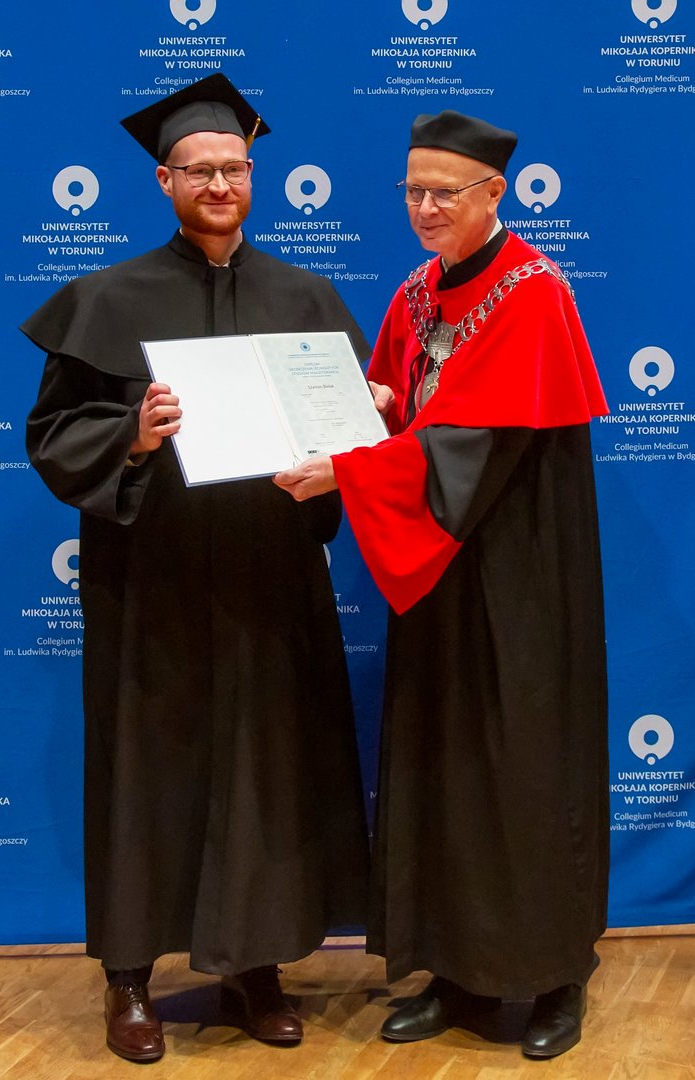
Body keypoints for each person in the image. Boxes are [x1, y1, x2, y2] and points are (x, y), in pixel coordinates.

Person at [22, 73, 370, 1064]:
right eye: (200, 170)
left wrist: (355, 435)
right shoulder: (106, 299)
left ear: (254, 177)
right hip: (153, 581)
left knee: (265, 769)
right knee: (146, 772)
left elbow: (347, 441)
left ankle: (254, 968)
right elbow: (51, 436)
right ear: (165, 181)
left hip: (267, 579)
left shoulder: (305, 298)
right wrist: (131, 435)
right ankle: (129, 979)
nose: (221, 184)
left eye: (235, 168)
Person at [274, 110, 609, 1060]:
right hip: (439, 574)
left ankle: (554, 979)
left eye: (444, 194)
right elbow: (397, 410)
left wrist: (352, 469)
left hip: (518, 575)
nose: (424, 209)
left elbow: (476, 446)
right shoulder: (418, 292)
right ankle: (457, 974)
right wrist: (368, 410)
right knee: (446, 765)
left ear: (495, 193)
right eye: (412, 191)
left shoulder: (534, 293)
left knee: (525, 763)